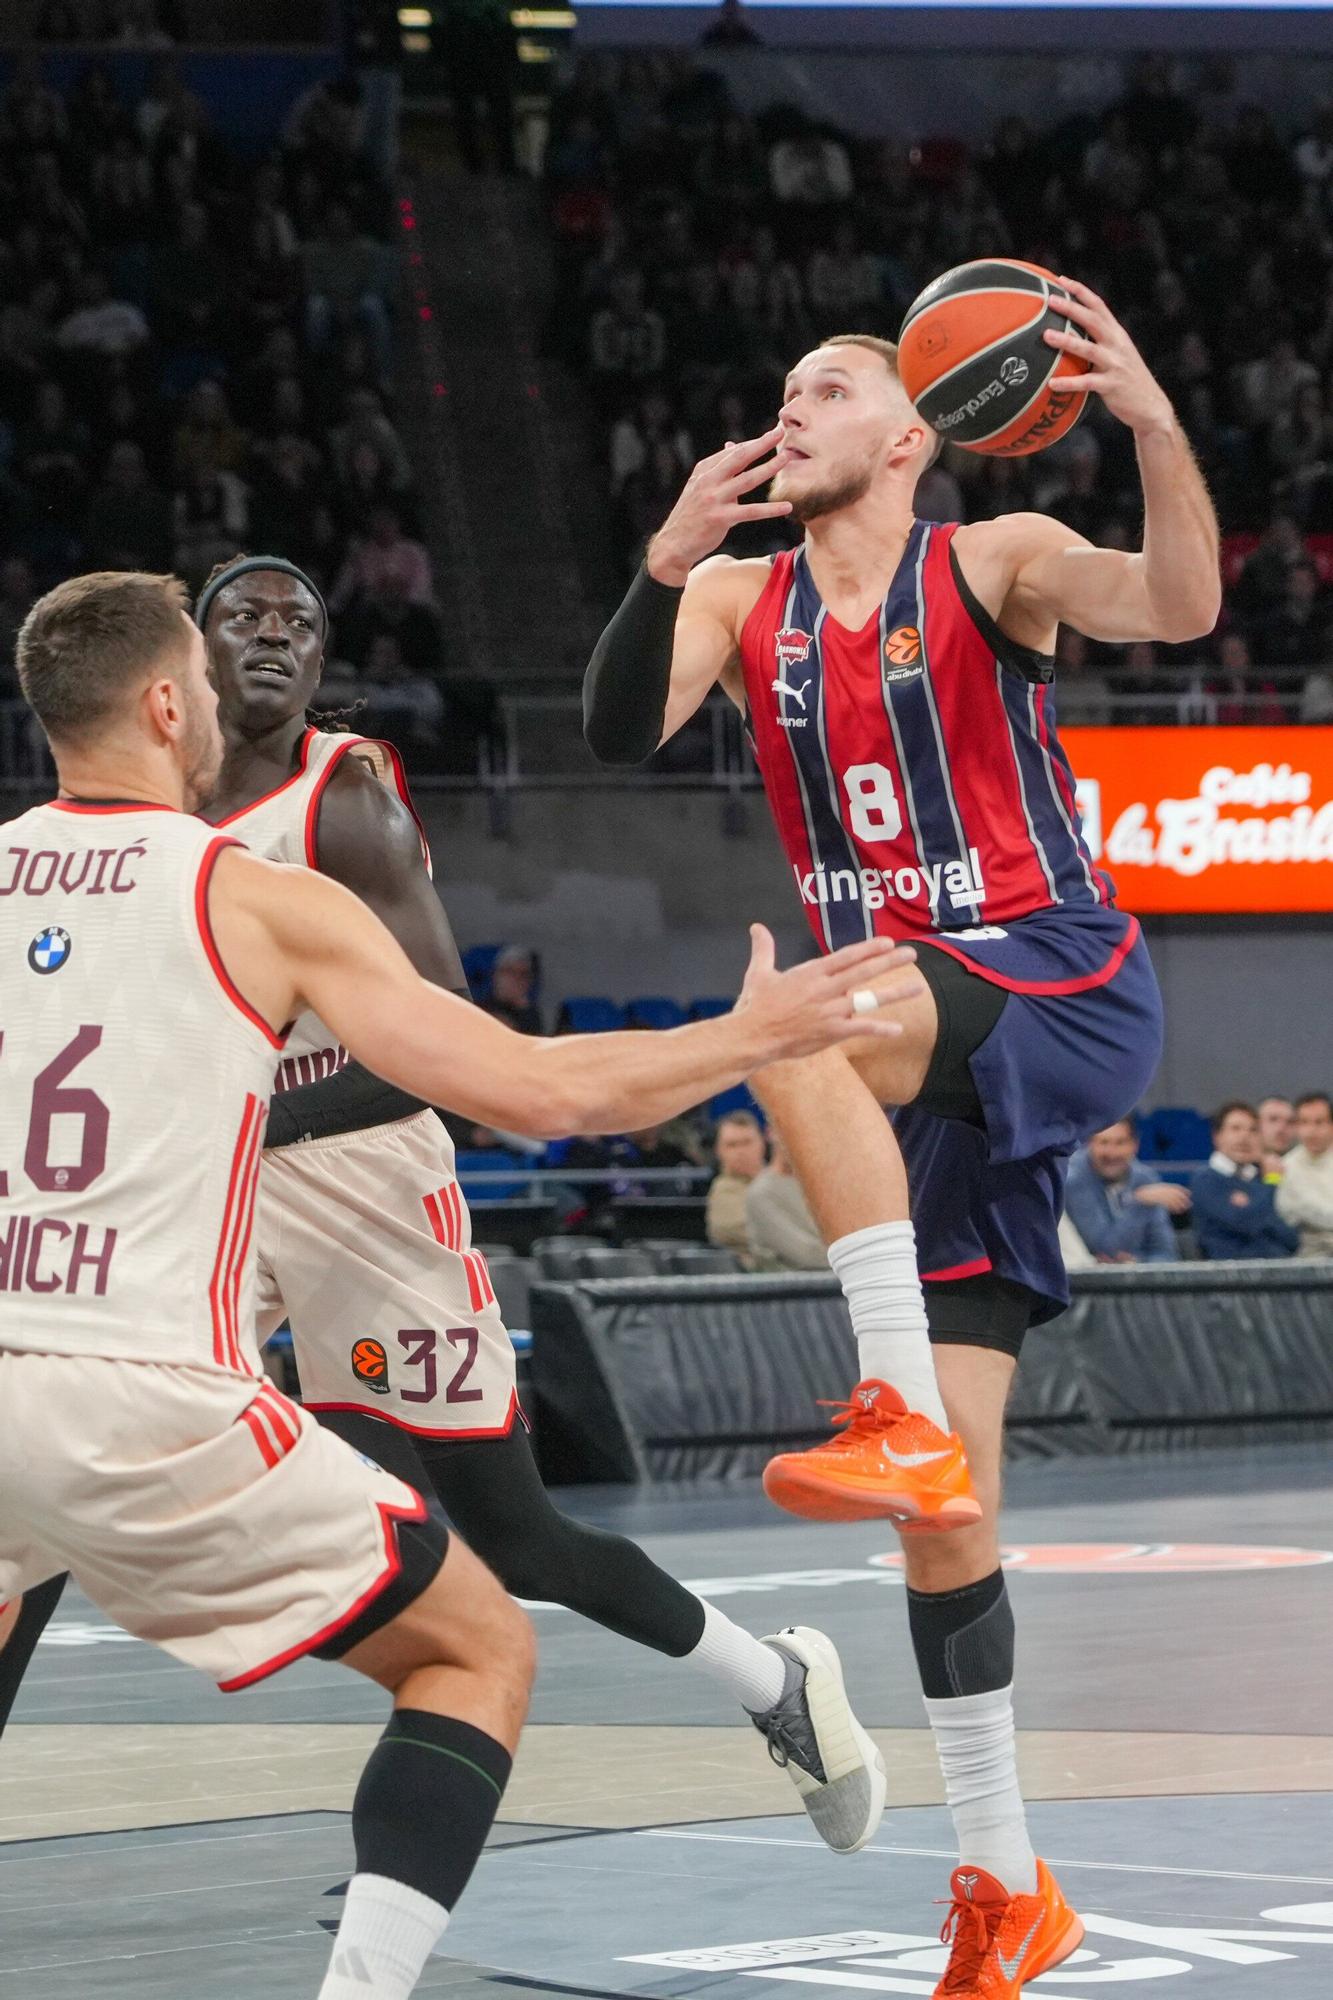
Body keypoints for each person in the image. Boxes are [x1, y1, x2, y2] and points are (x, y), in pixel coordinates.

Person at [0, 560, 924, 1895]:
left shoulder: (346, 807)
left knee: (510, 1536)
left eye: (300, 623)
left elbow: (449, 1045)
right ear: (176, 677)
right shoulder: (105, 826)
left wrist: (229, 1081)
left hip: (358, 1178)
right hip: (196, 1186)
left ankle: (769, 1680)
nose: (271, 639)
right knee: (47, 1481)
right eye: (243, 620)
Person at [583, 285, 1220, 1993]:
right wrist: (656, 567)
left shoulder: (991, 556)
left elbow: (1177, 601)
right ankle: (1005, 1885)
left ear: (914, 428)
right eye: (778, 385)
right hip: (904, 1046)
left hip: (1051, 971)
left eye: (827, 383)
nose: (790, 405)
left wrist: (1150, 420)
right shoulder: (736, 594)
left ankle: (887, 1410)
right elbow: (607, 733)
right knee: (948, 1525)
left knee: (791, 1017)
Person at [1062, 1119, 1187, 1264]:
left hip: (1140, 1280)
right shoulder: (1073, 1179)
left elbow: (1166, 1253)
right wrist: (1140, 1202)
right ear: (1090, 1144)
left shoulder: (1145, 1178)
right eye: (1104, 1142)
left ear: (1135, 1145)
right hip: (1086, 1281)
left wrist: (1138, 1262)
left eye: (1120, 1142)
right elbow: (1103, 1248)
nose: (1111, 1153)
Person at [1192, 1102, 1300, 1261]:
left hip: (1275, 1269)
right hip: (1226, 1277)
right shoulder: (1205, 1179)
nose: (1244, 1137)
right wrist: (1271, 1182)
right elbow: (1246, 1222)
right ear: (1217, 1136)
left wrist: (1257, 1210)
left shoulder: (1258, 1178)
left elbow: (1290, 1238)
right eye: (1236, 1129)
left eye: (1253, 1130)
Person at [747, 1132, 827, 1271]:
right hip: (797, 1287)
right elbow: (806, 1253)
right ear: (771, 1133)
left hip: (835, 1279)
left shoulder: (822, 1184)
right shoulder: (761, 1193)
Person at [1276, 1091, 1333, 1255]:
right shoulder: (1285, 1167)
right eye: (1304, 1122)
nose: (1311, 1130)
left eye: (1319, 1122)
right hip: (1310, 1259)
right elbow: (1290, 1214)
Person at [706, 1108, 767, 1261]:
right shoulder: (722, 1192)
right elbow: (755, 1233)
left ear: (762, 1142)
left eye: (747, 1142)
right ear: (718, 1151)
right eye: (732, 1145)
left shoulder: (788, 1181)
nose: (741, 1151)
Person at [483, 944, 542, 1034]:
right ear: (496, 975)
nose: (516, 979)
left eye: (523, 974)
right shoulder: (478, 1009)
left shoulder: (531, 1016)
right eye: (510, 972)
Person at [1258, 1093, 1297, 1178]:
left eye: (1289, 1122)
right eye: (1273, 1119)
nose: (1281, 1129)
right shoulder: (1241, 1168)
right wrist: (1273, 1177)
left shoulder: (1302, 1168)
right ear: (1257, 1124)